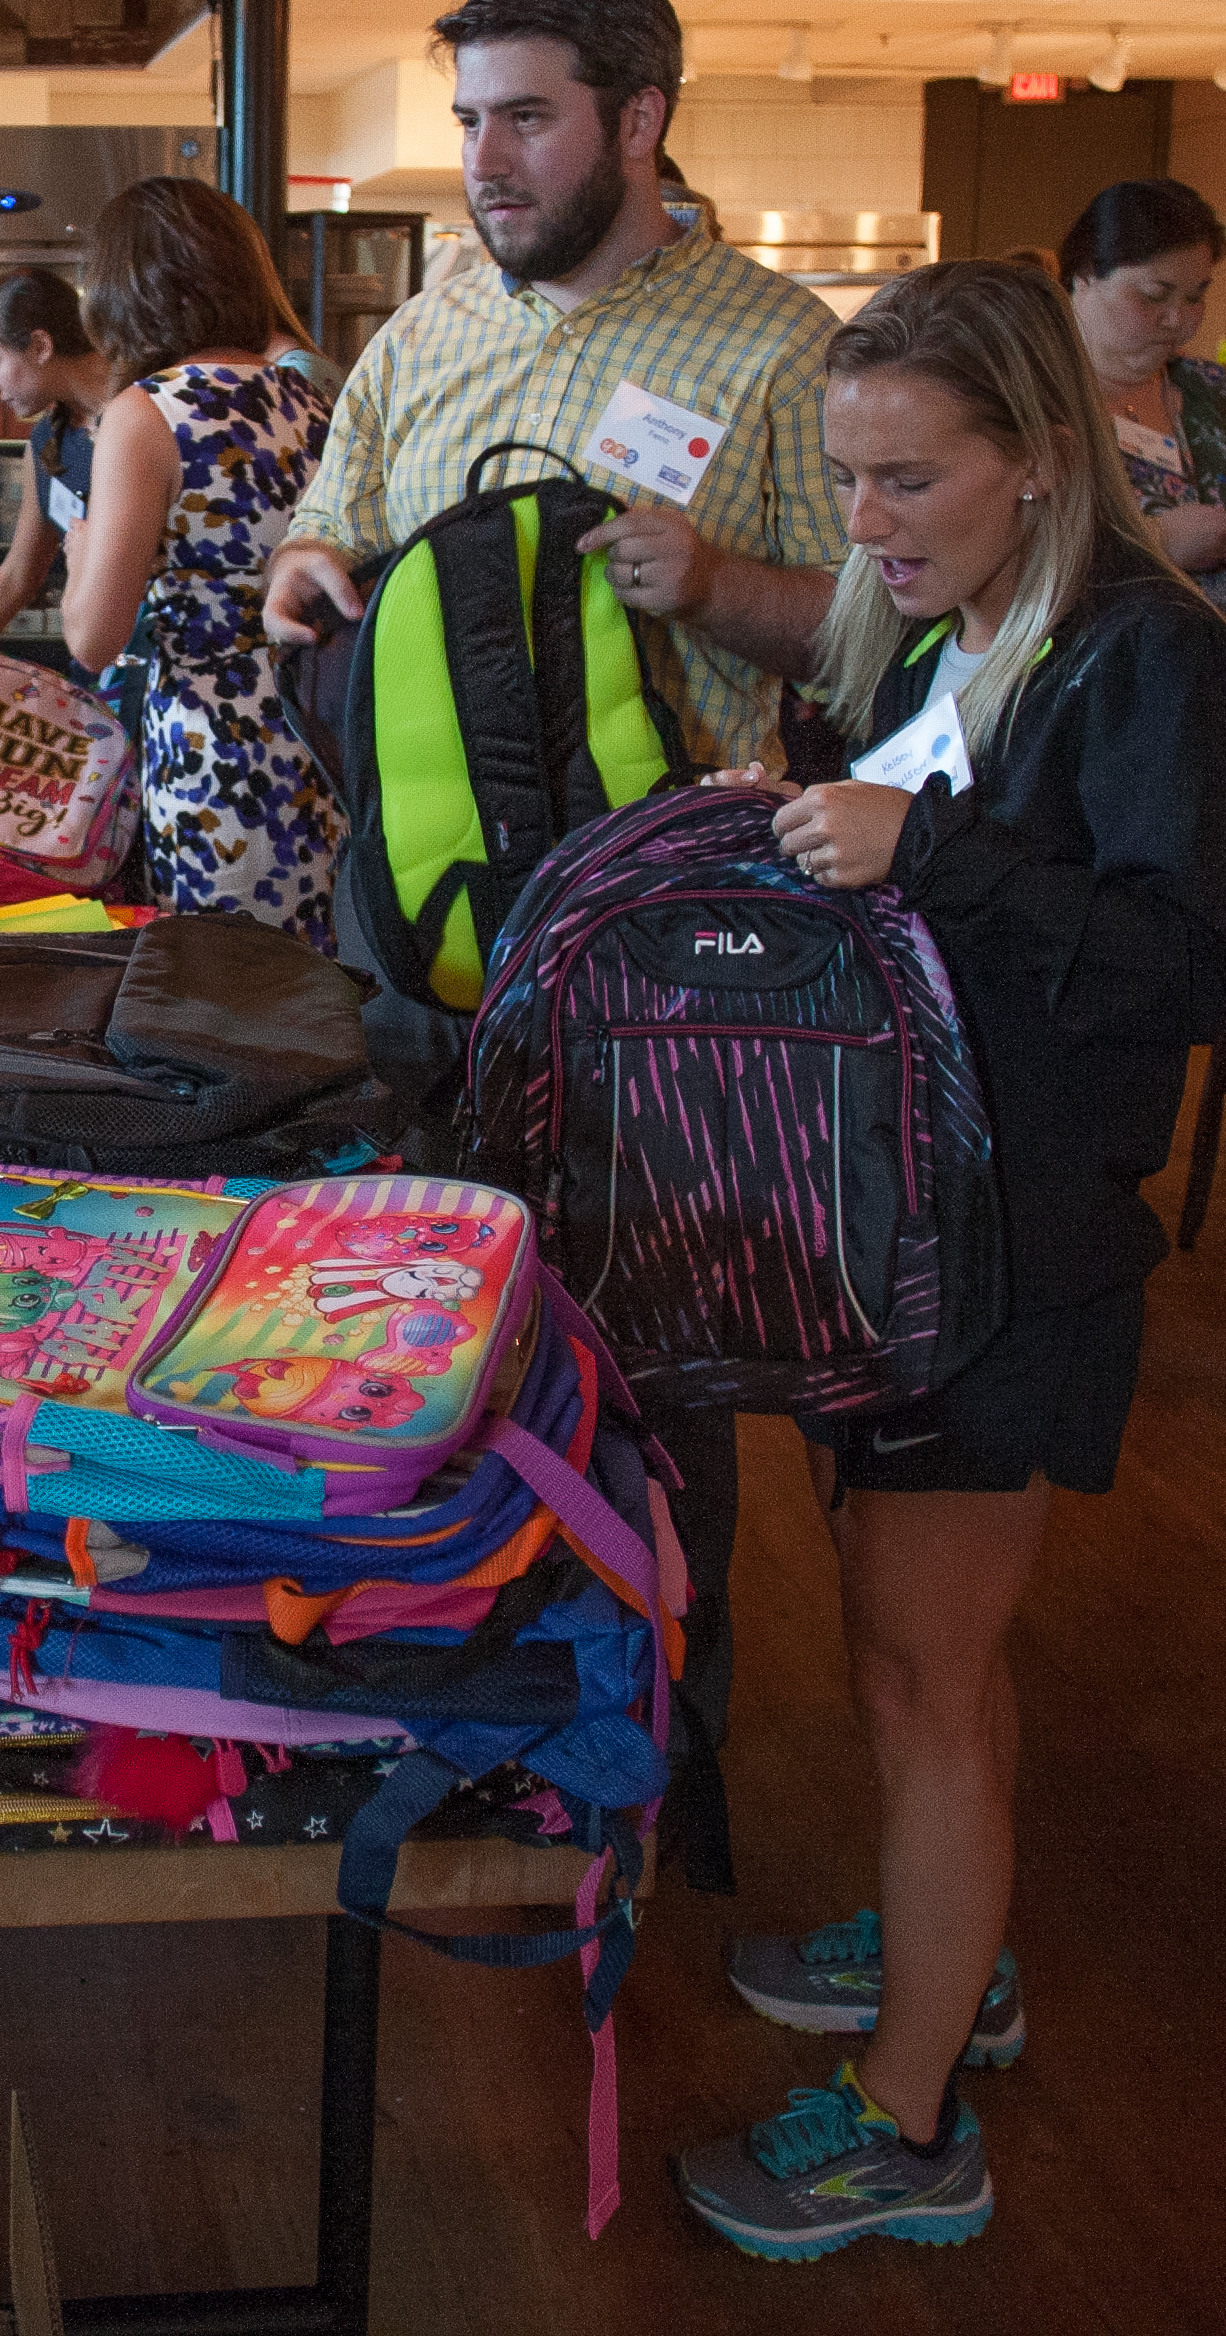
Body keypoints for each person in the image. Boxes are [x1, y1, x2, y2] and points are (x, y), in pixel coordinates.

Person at [672, 259, 1226, 2261]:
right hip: (919, 1225)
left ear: (1039, 456)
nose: (869, 526)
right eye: (848, 482)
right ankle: (948, 1956)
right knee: (927, 1668)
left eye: (908, 481)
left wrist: (924, 860)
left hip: (1018, 1251)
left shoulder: (1137, 659)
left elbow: (1184, 960)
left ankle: (911, 2131)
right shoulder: (975, 633)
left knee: (920, 1677)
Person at [265, 0, 851, 1780]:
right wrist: (299, 571)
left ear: (640, 119)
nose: (483, 158)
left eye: (523, 116)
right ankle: (443, 1711)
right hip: (409, 942)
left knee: (656, 1375)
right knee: (406, 1325)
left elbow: (890, 644)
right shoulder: (429, 320)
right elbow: (322, 518)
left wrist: (724, 588)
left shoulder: (779, 350)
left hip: (664, 963)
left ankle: (646, 1766)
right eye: (467, 120)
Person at [60, 175, 344, 941]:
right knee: (315, 991)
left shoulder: (149, 411)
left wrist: (81, 552)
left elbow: (95, 639)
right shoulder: (310, 400)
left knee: (223, 1001)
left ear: (122, 292)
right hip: (322, 739)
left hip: (217, 759)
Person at [0, 268, 120, 657]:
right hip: (98, 661)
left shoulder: (139, 420)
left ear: (39, 346)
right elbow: (18, 576)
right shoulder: (46, 441)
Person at [1058, 177, 1226, 597]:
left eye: (1195, 297)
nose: (1178, 320)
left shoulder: (1212, 389)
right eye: (1155, 295)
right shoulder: (1029, 402)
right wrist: (1160, 541)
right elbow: (994, 556)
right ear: (1085, 278)